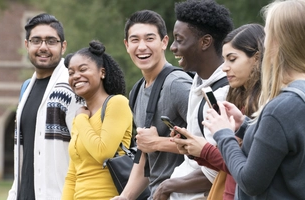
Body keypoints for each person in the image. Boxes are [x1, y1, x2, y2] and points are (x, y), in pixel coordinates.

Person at [203, 0, 305, 199]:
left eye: (268, 33)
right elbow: (288, 143)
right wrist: (245, 125)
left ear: (277, 42)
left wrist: (223, 135)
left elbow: (250, 182)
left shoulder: (282, 107)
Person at [170, 23, 265, 200]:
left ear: (256, 59)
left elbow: (248, 171)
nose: (224, 67)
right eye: (225, 59)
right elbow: (230, 163)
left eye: (232, 59)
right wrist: (195, 150)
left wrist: (205, 150)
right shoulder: (241, 99)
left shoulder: (266, 105)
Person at [153, 0, 234, 199]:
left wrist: (166, 186)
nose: (172, 47)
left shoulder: (222, 93)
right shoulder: (199, 81)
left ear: (205, 42)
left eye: (179, 40)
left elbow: (217, 168)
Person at [111, 10, 192, 200]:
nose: (142, 47)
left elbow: (213, 143)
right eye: (135, 40)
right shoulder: (137, 90)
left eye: (149, 38)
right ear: (126, 45)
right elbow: (144, 154)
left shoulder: (176, 85)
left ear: (164, 42)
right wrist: (125, 197)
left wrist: (158, 143)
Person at [7, 13, 82, 200]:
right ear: (27, 45)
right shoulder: (26, 89)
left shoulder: (73, 87)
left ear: (63, 46)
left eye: (51, 41)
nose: (43, 47)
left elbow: (84, 152)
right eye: (36, 41)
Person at [61, 40, 132, 199]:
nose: (76, 76)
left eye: (83, 69)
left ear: (102, 72)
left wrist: (81, 120)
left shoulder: (117, 103)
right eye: (71, 73)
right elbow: (73, 174)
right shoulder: (81, 116)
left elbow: (103, 152)